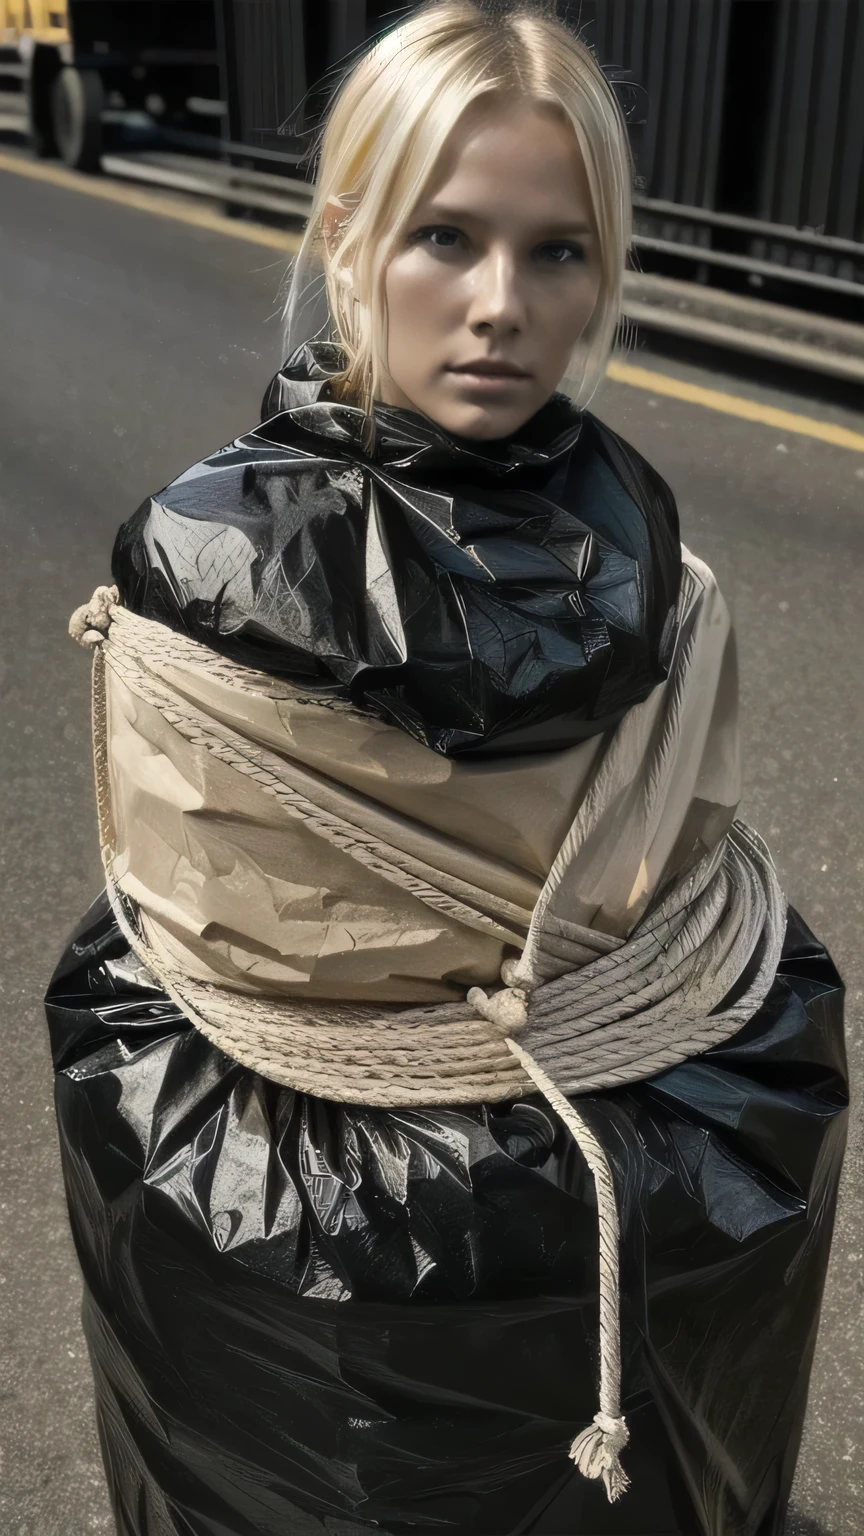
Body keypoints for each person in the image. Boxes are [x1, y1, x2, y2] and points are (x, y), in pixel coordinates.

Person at [48, 4, 847, 1534]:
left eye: (559, 251)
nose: (502, 306)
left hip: (596, 1054)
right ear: (348, 238)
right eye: (445, 237)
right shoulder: (209, 572)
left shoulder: (665, 589)